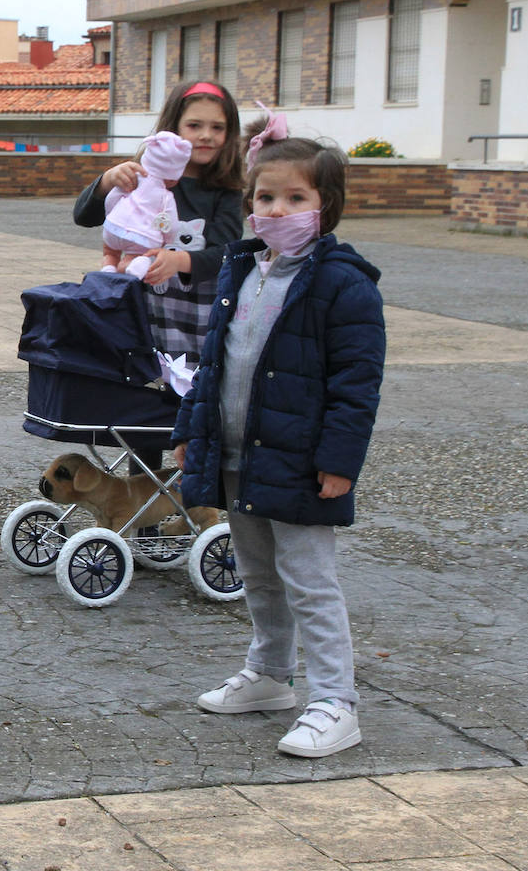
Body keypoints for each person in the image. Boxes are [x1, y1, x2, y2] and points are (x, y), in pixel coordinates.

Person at [172, 112, 385, 758]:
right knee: (258, 576)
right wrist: (192, 431)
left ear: (326, 206)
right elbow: (214, 361)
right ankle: (269, 675)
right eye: (266, 198)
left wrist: (339, 461)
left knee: (310, 583)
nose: (278, 209)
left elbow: (357, 384)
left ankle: (334, 702)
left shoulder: (343, 285)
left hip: (299, 463)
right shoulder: (241, 270)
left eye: (296, 198)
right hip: (239, 455)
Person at [73, 80, 245, 363]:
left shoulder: (225, 190)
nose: (206, 135)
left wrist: (179, 262)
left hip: (195, 313)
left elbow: (225, 253)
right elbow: (84, 216)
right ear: (173, 128)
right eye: (194, 126)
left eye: (218, 127)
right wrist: (106, 183)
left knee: (185, 387)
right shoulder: (143, 176)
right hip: (140, 301)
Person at [97, 130, 194, 289]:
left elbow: (112, 198)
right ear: (173, 177)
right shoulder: (166, 196)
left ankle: (108, 268)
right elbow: (171, 224)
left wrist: (111, 217)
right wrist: (167, 239)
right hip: (143, 237)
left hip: (114, 227)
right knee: (140, 256)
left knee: (110, 252)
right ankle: (135, 265)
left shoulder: (132, 179)